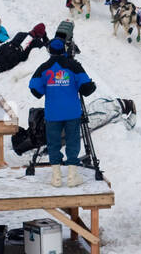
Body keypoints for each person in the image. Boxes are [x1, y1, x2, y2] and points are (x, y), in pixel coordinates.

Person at [28, 36, 96, 187]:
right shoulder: (73, 66)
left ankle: (56, 177)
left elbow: (35, 89)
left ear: (49, 50)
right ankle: (72, 176)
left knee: (53, 143)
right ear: (64, 49)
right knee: (73, 141)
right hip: (72, 112)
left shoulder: (44, 68)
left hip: (53, 113)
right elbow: (87, 88)